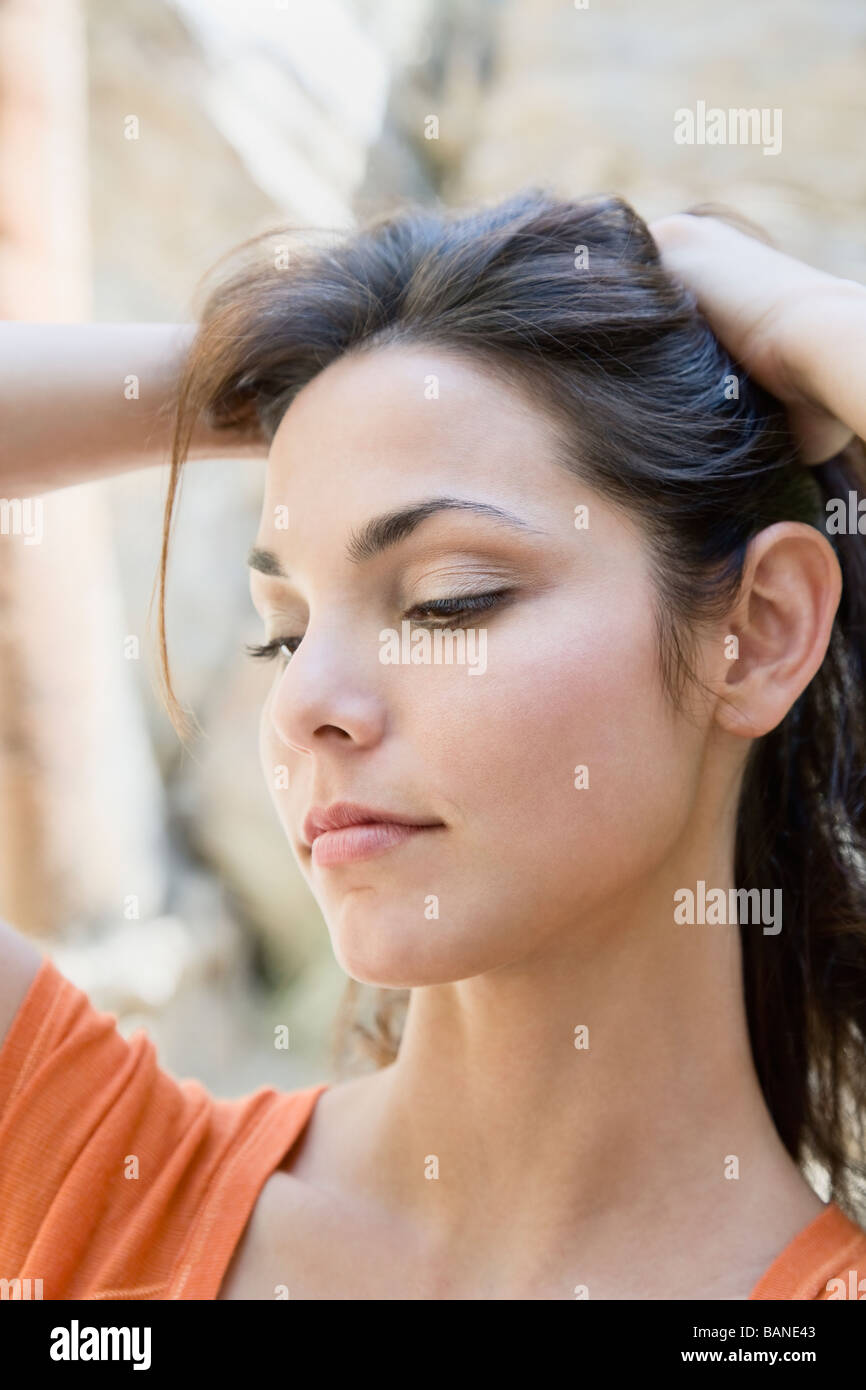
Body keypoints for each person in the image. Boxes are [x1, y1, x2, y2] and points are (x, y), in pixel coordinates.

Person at [2, 190, 866, 1301]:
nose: (306, 702)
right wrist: (274, 374)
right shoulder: (96, 1190)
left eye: (447, 602)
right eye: (284, 631)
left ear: (754, 632)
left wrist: (789, 315)